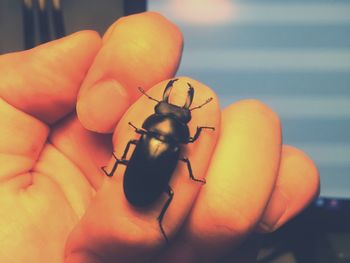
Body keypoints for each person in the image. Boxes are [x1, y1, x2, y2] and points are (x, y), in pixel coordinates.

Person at [0, 12, 319, 263]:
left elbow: (136, 151)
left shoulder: (144, 134)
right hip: (143, 188)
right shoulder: (178, 145)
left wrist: (117, 167)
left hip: (134, 181)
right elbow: (184, 146)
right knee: (170, 189)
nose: (174, 108)